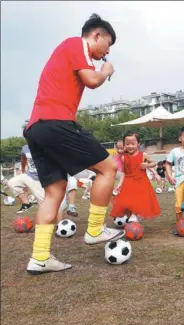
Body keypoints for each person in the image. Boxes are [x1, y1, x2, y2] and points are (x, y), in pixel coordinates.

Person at [23, 13, 122, 275]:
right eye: (108, 44)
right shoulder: (75, 44)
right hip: (55, 122)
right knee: (108, 168)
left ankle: (40, 257)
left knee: (55, 191)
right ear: (96, 35)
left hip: (36, 128)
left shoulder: (70, 52)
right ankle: (96, 229)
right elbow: (91, 81)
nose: (107, 52)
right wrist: (105, 71)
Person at [110, 132, 160, 223]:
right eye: (127, 144)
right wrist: (120, 184)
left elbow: (154, 163)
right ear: (124, 144)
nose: (130, 146)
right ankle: (131, 219)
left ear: (138, 143)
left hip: (141, 182)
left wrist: (147, 165)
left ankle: (135, 218)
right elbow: (124, 172)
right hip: (128, 182)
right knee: (126, 202)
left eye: (133, 144)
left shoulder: (143, 155)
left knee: (138, 201)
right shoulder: (123, 157)